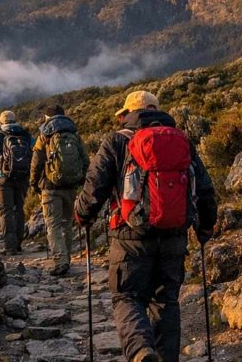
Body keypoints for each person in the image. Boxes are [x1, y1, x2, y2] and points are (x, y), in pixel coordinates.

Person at [75, 91, 218, 362]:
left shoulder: (117, 141)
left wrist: (83, 215)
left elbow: (95, 186)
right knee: (166, 302)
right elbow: (205, 189)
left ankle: (140, 350)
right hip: (174, 236)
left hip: (130, 238)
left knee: (127, 297)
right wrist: (205, 227)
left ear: (128, 113)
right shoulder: (182, 141)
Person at [31, 105, 89, 276]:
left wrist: (34, 183)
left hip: (50, 187)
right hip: (71, 187)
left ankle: (60, 261)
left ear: (47, 118)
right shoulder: (74, 134)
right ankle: (67, 259)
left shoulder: (45, 136)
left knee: (53, 224)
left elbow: (36, 162)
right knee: (66, 224)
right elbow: (85, 160)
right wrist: (82, 180)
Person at [0, 110, 35, 255]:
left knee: (6, 211)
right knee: (19, 209)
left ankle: (10, 246)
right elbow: (35, 155)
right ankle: (18, 243)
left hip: (2, 178)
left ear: (1, 122)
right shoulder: (26, 135)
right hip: (23, 177)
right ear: (15, 120)